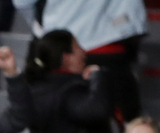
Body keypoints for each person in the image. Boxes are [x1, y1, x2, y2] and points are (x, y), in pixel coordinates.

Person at [12, 0, 146, 122]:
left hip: (64, 39)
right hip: (111, 37)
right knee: (128, 124)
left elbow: (22, 3)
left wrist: (42, 29)